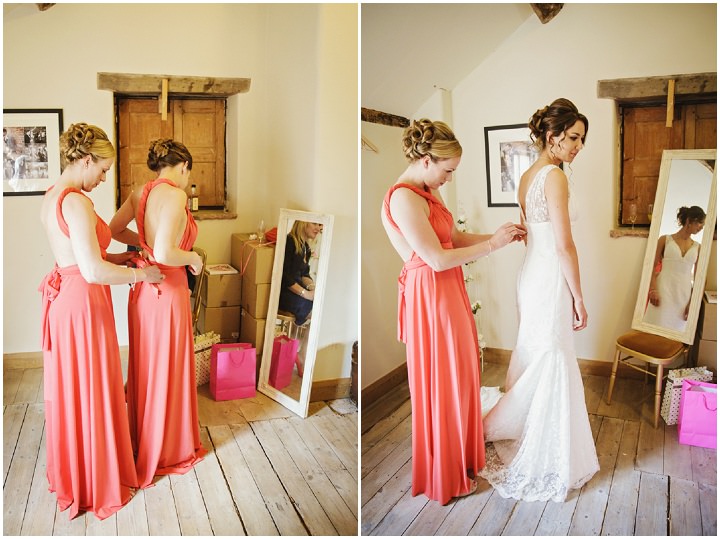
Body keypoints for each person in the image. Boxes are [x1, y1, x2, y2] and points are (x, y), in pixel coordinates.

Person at [381, 118, 526, 505]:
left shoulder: (427, 189)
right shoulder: (403, 198)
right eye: (448, 171)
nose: (448, 179)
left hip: (450, 290)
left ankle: (462, 457)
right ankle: (444, 472)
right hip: (431, 294)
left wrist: (501, 235)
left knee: (463, 374)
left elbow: (454, 238)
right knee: (442, 381)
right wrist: (492, 246)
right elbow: (436, 258)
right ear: (427, 159)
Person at [38, 123, 163, 519]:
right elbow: (90, 271)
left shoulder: (52, 196)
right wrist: (142, 274)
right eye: (103, 169)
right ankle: (96, 479)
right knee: (91, 387)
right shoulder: (75, 202)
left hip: (68, 300)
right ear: (86, 160)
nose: (104, 178)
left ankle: (82, 471)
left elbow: (77, 258)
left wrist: (121, 258)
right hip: (82, 304)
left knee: (79, 390)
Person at [479, 98, 599, 502]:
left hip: (531, 274)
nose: (579, 146)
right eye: (574, 138)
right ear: (553, 136)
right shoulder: (555, 177)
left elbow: (534, 233)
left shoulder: (529, 174)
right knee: (552, 354)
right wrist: (579, 297)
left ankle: (529, 427)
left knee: (538, 352)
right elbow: (565, 246)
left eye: (582, 139)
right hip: (549, 276)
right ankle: (544, 445)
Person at [109, 138, 207, 488]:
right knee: (168, 366)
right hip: (168, 288)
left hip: (142, 293)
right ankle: (167, 448)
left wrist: (144, 244)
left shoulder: (140, 193)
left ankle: (143, 437)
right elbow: (167, 253)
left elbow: (113, 230)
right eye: (188, 173)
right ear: (183, 168)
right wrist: (194, 258)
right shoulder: (176, 195)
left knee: (147, 365)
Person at [644, 205, 705, 331]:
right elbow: (651, 266)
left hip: (684, 295)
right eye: (699, 222)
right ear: (689, 220)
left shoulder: (698, 247)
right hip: (663, 290)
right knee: (655, 329)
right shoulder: (665, 240)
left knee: (677, 332)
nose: (701, 227)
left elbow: (700, 278)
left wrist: (692, 303)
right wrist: (653, 290)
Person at [278, 220, 322, 326]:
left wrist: (313, 288)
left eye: (319, 225)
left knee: (321, 303)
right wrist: (305, 293)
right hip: (284, 293)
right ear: (303, 223)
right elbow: (285, 276)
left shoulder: (305, 247)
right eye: (314, 224)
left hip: (296, 291)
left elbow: (304, 274)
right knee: (316, 311)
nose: (318, 228)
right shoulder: (289, 242)